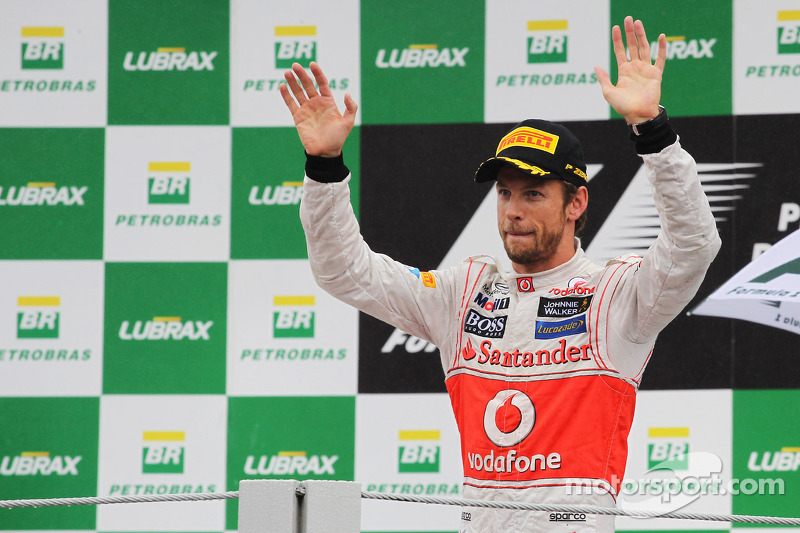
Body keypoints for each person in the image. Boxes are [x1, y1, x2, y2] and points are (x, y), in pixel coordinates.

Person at [280, 16, 720, 533]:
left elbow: (693, 246)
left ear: (577, 201)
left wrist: (653, 133)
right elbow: (343, 271)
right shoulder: (463, 293)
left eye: (533, 194)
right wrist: (324, 164)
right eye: (505, 193)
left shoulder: (614, 295)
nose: (513, 210)